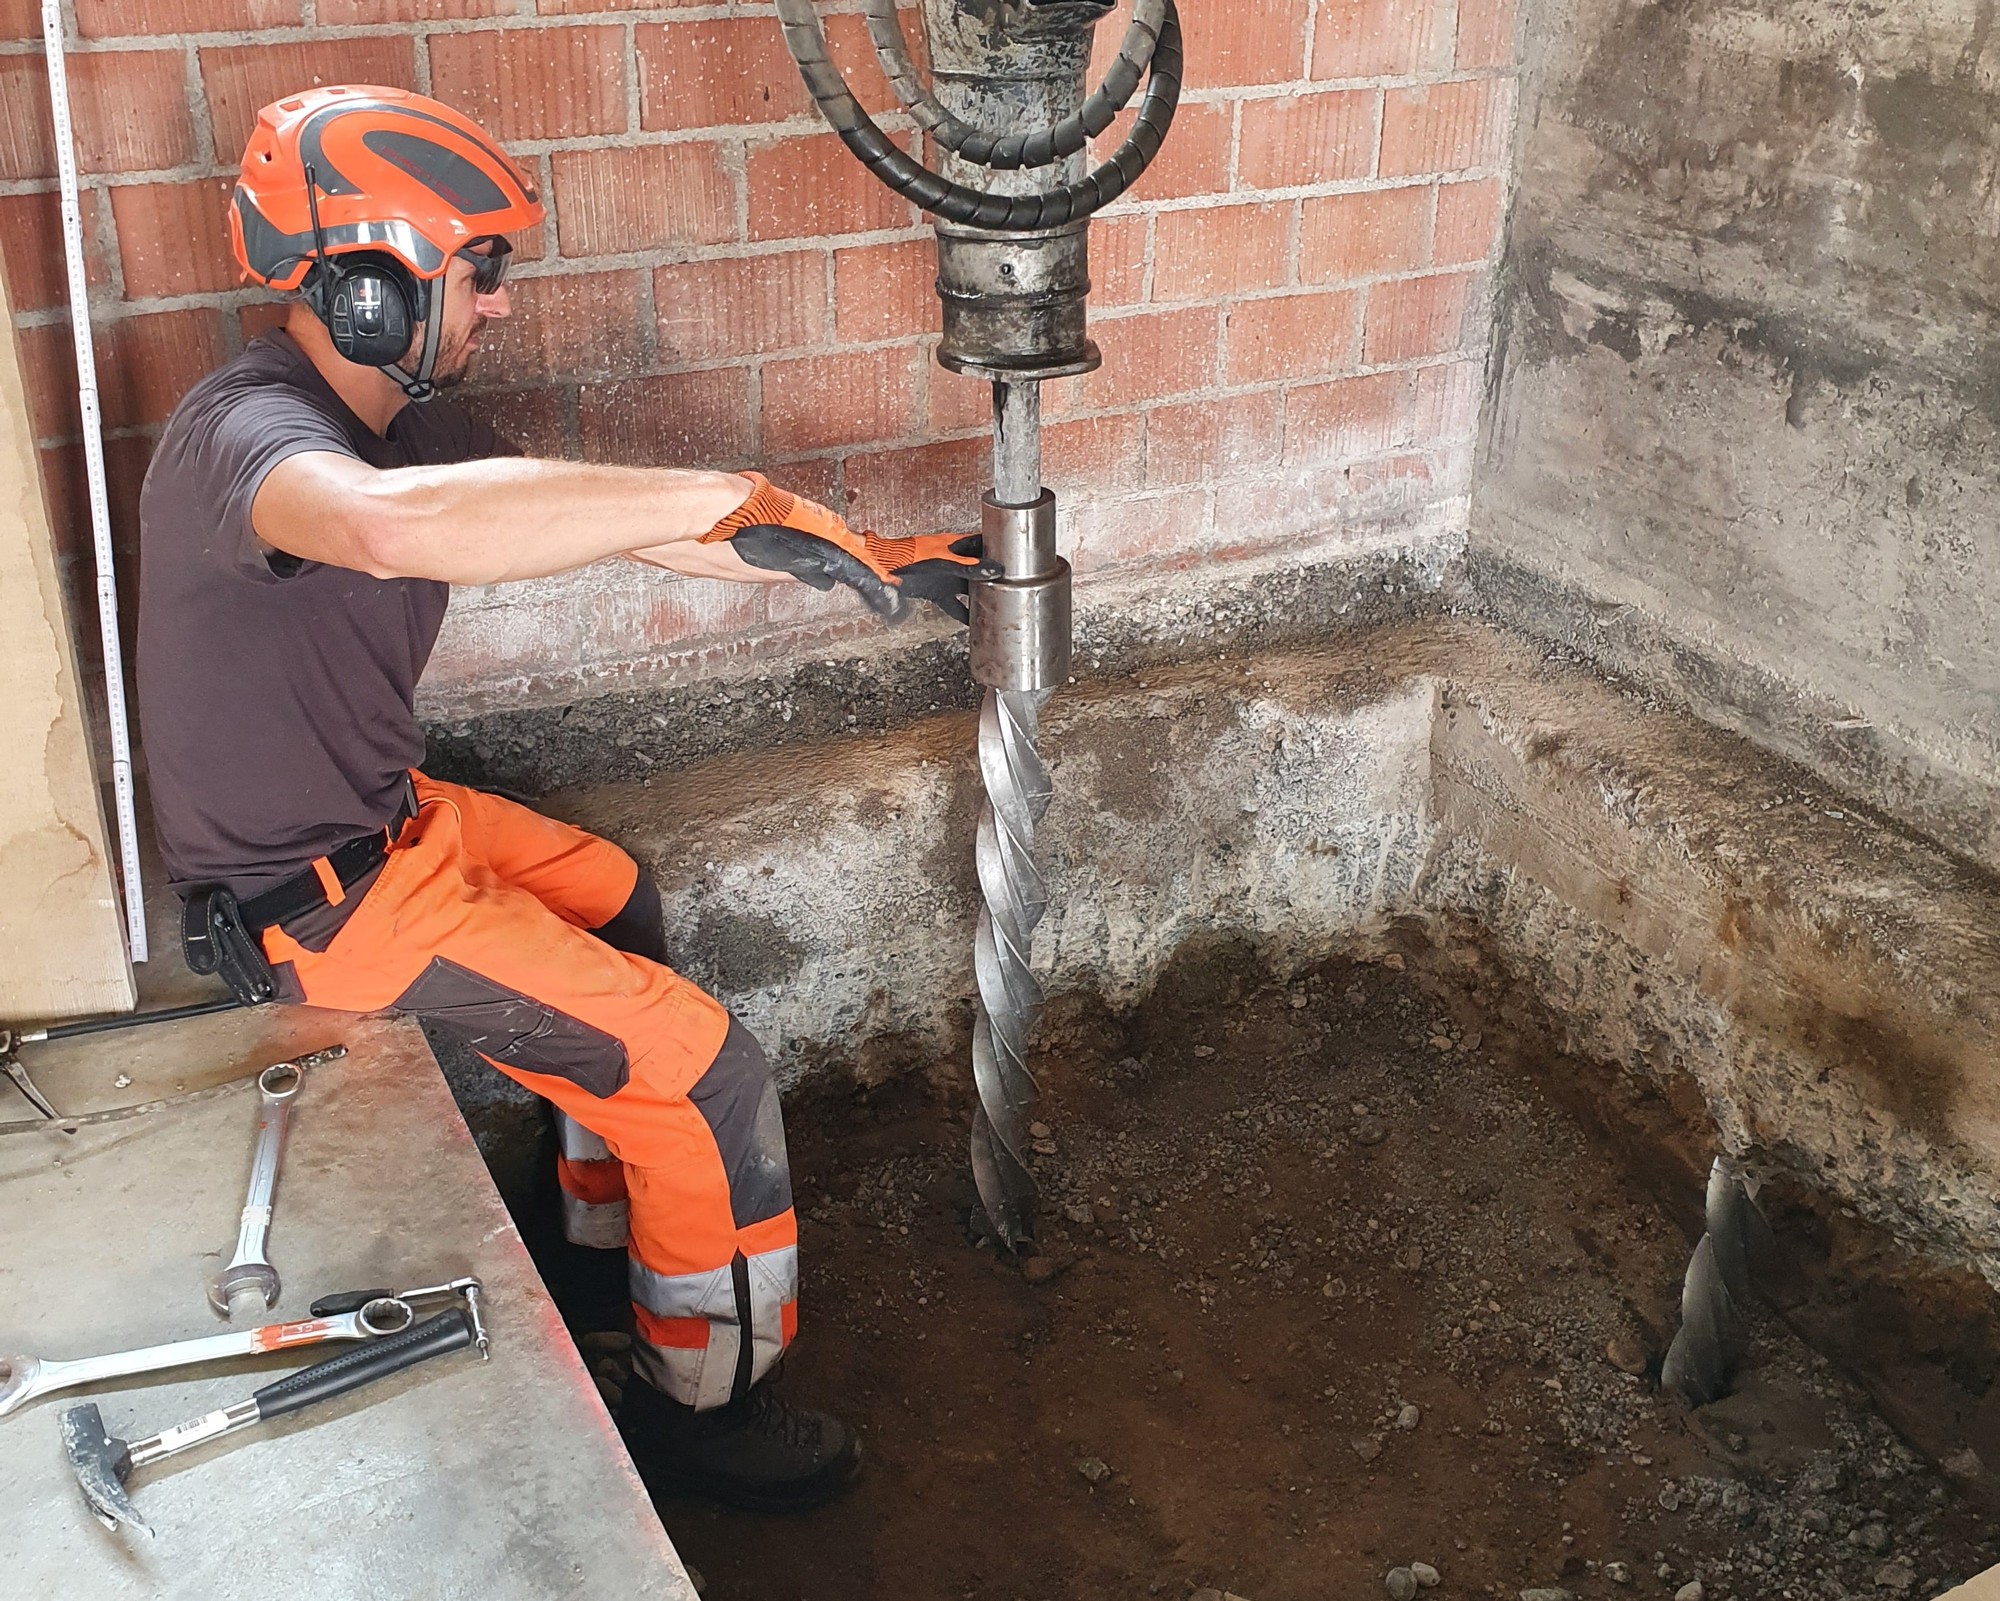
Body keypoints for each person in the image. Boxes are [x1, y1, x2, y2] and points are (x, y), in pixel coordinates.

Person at [135, 83, 991, 1512]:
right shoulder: (253, 440)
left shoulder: (397, 431)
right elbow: (383, 529)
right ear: (365, 280)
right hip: (320, 908)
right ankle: (705, 1410)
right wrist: (708, 490)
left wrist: (864, 558)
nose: (502, 303)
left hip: (390, 828)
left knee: (616, 896)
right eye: (479, 270)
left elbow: (616, 530)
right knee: (710, 1077)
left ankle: (597, 1251)